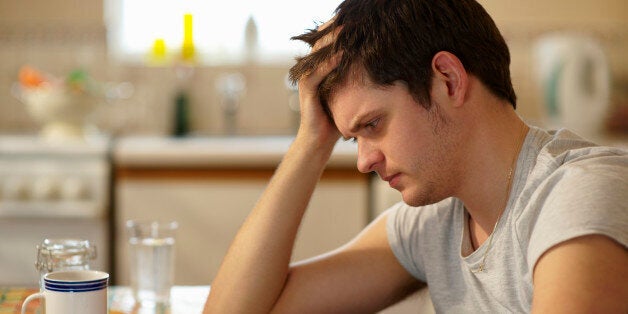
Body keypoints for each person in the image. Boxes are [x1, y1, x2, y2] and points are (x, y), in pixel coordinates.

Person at [204, 0, 628, 312]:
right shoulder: (437, 224)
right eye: (353, 138)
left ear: (447, 79)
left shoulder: (577, 194)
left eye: (372, 125)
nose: (364, 161)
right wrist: (311, 142)